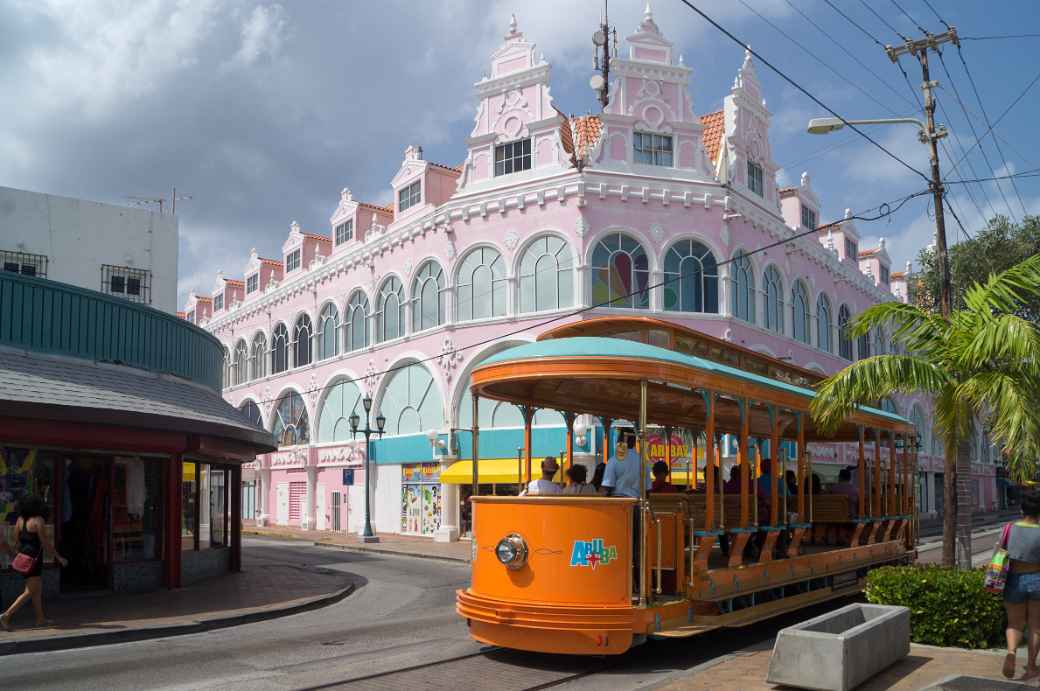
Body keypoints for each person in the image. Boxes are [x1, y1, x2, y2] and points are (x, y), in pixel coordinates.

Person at [1, 496, 68, 630]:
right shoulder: (38, 520)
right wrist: (58, 557)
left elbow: (16, 540)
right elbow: (45, 543)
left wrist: (15, 555)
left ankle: (40, 619)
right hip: (34, 559)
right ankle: (6, 615)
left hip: (24, 558)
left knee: (36, 590)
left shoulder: (20, 520)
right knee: (30, 591)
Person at [1003, 489, 1040, 680]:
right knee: (1036, 625)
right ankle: (1032, 667)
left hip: (1014, 579)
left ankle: (1011, 653)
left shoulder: (1009, 528)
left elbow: (1001, 553)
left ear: (1021, 509)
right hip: (1037, 580)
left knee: (1014, 623)